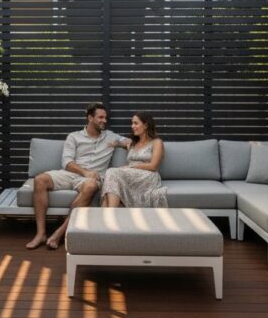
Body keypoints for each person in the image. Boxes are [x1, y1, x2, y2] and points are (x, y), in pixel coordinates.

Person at [29, 102, 130, 250]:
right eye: (100, 117)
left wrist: (130, 146)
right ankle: (41, 233)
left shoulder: (110, 137)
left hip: (90, 180)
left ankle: (61, 232)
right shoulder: (74, 137)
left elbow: (129, 141)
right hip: (70, 174)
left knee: (91, 185)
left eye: (105, 118)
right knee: (39, 180)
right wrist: (85, 172)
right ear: (90, 118)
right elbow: (67, 162)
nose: (104, 121)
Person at [101, 112, 167, 208]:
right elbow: (120, 142)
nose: (132, 126)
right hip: (130, 175)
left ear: (145, 125)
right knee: (111, 176)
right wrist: (114, 144)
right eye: (132, 123)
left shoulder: (156, 142)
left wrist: (131, 166)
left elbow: (154, 166)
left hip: (147, 175)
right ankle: (108, 212)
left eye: (136, 123)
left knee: (112, 172)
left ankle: (110, 213)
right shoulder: (132, 143)